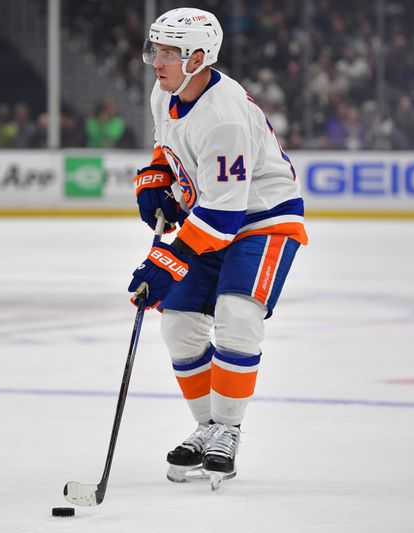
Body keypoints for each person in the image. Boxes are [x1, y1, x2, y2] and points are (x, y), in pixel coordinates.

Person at [127, 7, 308, 487]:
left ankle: (228, 429)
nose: (156, 61)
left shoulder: (224, 115)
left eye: (168, 53)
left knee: (237, 315)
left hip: (262, 219)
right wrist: (155, 181)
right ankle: (206, 427)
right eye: (156, 50)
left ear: (199, 57)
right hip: (214, 215)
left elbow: (225, 217)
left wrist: (163, 262)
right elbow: (168, 149)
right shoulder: (163, 93)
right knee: (180, 324)